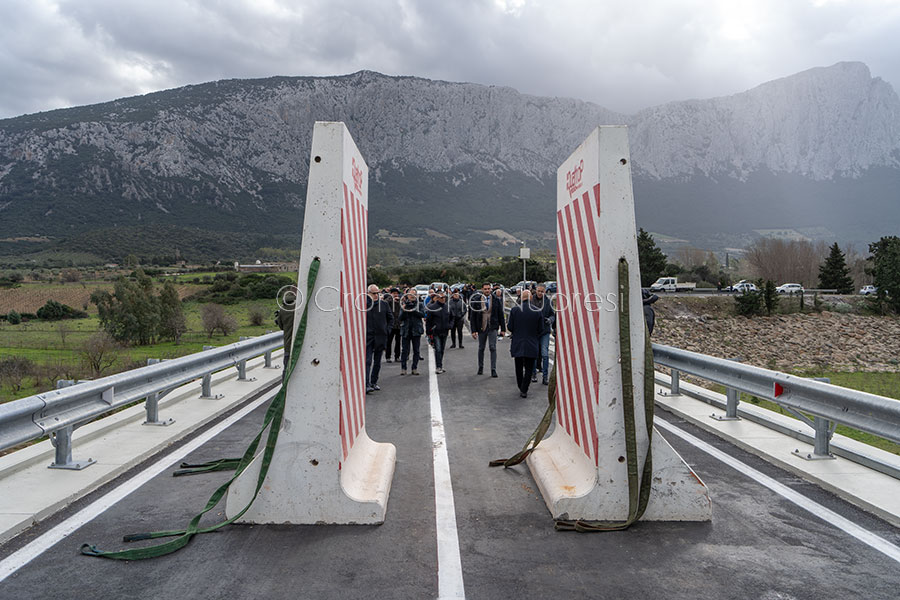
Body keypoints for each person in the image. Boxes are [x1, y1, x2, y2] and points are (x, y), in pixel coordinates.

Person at [507, 289, 543, 398]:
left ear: (522, 298)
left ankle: (520, 385)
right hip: (531, 342)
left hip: (518, 342)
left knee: (518, 366)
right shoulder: (537, 311)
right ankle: (524, 388)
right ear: (531, 298)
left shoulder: (514, 310)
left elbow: (510, 327)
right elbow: (540, 329)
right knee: (529, 367)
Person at [469, 282, 506, 377]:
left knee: (492, 347)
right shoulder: (476, 300)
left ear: (491, 289)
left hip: (493, 326)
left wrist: (503, 329)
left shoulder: (496, 300)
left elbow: (501, 315)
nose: (487, 290)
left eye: (489, 289)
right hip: (481, 327)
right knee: (481, 347)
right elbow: (473, 317)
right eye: (485, 289)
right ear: (482, 289)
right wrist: (473, 330)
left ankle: (493, 369)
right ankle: (480, 367)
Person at [365, 284, 393, 393]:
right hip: (368, 337)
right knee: (367, 361)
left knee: (377, 361)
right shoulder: (364, 305)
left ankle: (373, 382)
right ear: (368, 293)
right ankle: (366, 384)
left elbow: (390, 318)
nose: (376, 295)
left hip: (381, 336)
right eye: (373, 293)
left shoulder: (384, 305)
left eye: (377, 293)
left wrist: (387, 330)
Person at [531, 284, 555, 385]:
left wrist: (550, 320)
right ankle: (533, 374)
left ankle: (545, 376)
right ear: (536, 290)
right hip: (534, 331)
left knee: (545, 354)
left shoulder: (548, 302)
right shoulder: (531, 300)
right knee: (534, 354)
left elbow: (553, 315)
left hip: (544, 331)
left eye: (542, 291)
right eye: (538, 291)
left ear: (545, 291)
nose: (540, 293)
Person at [399, 288, 425, 375]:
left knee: (416, 350)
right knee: (404, 350)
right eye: (410, 295)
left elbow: (423, 314)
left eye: (414, 295)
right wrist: (404, 309)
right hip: (406, 330)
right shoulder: (403, 304)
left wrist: (414, 310)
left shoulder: (420, 304)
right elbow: (400, 318)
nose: (412, 297)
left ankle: (414, 368)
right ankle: (403, 368)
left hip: (416, 330)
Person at [426, 291, 452, 374]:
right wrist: (428, 332)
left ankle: (440, 364)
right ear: (437, 298)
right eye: (441, 297)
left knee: (442, 349)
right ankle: (438, 366)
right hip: (436, 331)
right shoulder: (432, 307)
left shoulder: (448, 307)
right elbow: (428, 321)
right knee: (438, 348)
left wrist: (450, 325)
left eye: (444, 297)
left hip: (445, 330)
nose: (443, 299)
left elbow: (452, 317)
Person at [275, 290, 296, 382]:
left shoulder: (283, 310)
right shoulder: (298, 308)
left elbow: (281, 326)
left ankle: (285, 385)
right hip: (299, 342)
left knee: (286, 366)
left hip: (288, 343)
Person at [385, 288, 402, 362]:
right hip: (391, 324)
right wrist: (392, 300)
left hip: (398, 324)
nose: (396, 295)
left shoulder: (400, 301)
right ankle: (388, 356)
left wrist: (399, 301)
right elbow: (385, 304)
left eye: (397, 293)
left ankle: (397, 356)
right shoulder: (388, 301)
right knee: (389, 341)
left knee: (398, 342)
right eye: (394, 293)